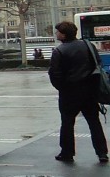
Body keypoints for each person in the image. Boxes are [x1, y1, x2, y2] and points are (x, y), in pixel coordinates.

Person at [47, 21, 109, 164]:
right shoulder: (88, 46)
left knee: (67, 123)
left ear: (63, 34)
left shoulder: (59, 51)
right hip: (89, 91)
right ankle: (102, 152)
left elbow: (55, 74)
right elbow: (98, 64)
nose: (56, 34)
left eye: (57, 32)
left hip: (69, 93)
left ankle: (67, 153)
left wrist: (62, 88)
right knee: (94, 122)